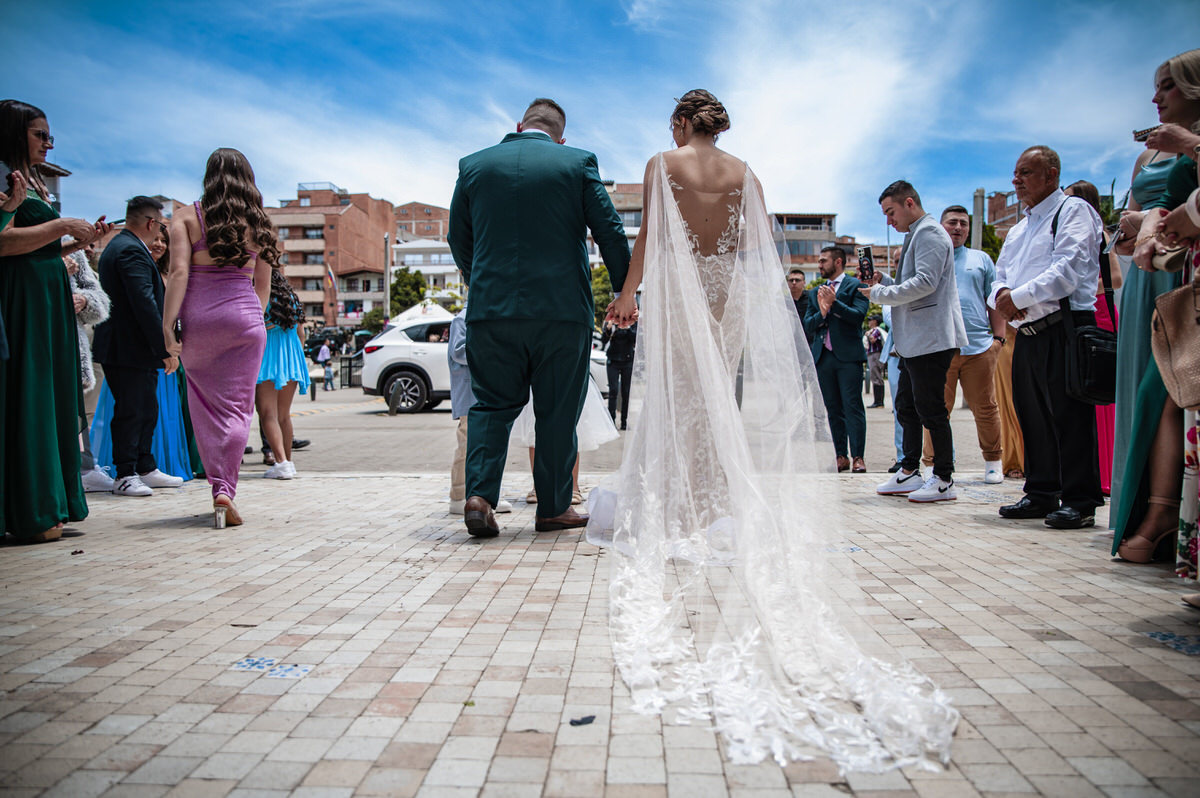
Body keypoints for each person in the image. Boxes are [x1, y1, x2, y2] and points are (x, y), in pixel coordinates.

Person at [592, 90, 958, 771]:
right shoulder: (747, 174)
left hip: (678, 290)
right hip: (727, 292)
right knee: (714, 405)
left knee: (679, 402)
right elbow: (762, 252)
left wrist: (625, 292)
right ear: (718, 124)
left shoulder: (660, 162)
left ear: (679, 124)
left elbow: (647, 239)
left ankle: (684, 505)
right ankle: (712, 505)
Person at [448, 97, 631, 538]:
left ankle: (479, 498)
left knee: (491, 405)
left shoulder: (473, 165)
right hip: (560, 311)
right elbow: (609, 230)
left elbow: (457, 236)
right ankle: (552, 509)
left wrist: (483, 282)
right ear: (559, 137)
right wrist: (625, 292)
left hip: (491, 313)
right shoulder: (577, 162)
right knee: (556, 410)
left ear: (518, 125)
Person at [0, 100, 109, 543]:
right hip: (22, 300)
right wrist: (62, 224)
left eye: (50, 136)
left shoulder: (34, 183)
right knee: (31, 396)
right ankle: (32, 509)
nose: (48, 143)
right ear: (13, 133)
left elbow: (39, 249)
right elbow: (4, 243)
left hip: (47, 297)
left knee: (51, 398)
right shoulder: (7, 176)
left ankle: (53, 503)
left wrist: (78, 241)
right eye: (39, 134)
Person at [1110, 49, 1200, 562]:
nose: (1155, 97)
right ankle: (1153, 512)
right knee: (1150, 393)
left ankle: (1163, 515)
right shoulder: (1148, 154)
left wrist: (1189, 146)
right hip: (1152, 276)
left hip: (1185, 275)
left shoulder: (1186, 141)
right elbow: (1134, 217)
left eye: (1166, 86)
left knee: (1169, 391)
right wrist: (1135, 226)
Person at [988, 146, 1104, 529]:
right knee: (1033, 414)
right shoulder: (1020, 228)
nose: (1015, 180)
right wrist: (1003, 299)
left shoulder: (1072, 211)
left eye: (1025, 172)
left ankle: (1079, 500)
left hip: (1064, 327)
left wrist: (1016, 299)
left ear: (1051, 173)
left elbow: (1068, 269)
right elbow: (999, 276)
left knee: (1069, 416)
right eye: (1015, 172)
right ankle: (1040, 492)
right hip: (1029, 334)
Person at [162, 148, 275, 528]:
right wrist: (249, 320)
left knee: (205, 408)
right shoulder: (259, 222)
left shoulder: (184, 218)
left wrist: (168, 325)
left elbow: (178, 273)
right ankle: (226, 490)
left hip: (200, 320)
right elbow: (263, 287)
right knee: (239, 408)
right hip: (244, 317)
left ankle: (219, 485)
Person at [867, 181, 967, 503]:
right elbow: (915, 283)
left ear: (909, 203)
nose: (888, 221)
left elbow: (926, 283)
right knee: (907, 407)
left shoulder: (931, 233)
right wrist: (885, 281)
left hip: (932, 338)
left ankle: (944, 478)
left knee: (931, 409)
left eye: (890, 212)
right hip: (914, 340)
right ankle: (909, 471)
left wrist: (879, 293)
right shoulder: (916, 235)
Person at [92, 197, 183, 497]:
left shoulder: (123, 246)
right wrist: (165, 346)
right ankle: (125, 473)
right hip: (127, 348)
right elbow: (144, 303)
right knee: (131, 410)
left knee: (146, 408)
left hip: (133, 348)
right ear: (150, 223)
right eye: (160, 224)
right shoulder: (130, 250)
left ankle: (145, 466)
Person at [918, 206, 1006, 484]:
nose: (958, 228)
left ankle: (993, 460)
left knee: (986, 407)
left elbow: (994, 301)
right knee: (935, 410)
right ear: (941, 226)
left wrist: (999, 339)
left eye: (963, 224)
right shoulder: (930, 257)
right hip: (939, 347)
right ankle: (933, 464)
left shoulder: (981, 259)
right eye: (952, 222)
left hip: (978, 346)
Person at [1062, 181, 1122, 496]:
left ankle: (1105, 474)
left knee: (1097, 392)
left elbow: (1115, 279)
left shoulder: (1101, 235)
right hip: (1079, 316)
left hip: (1097, 317)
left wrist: (1077, 287)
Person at [804, 246, 868, 473]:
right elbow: (808, 324)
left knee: (853, 406)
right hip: (824, 357)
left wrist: (834, 304)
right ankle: (840, 455)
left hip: (848, 357)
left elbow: (858, 316)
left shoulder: (856, 286)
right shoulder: (814, 292)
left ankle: (858, 457)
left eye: (823, 261)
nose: (820, 265)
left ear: (838, 262)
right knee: (833, 408)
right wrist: (821, 312)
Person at [447, 301, 513, 516]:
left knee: (488, 446)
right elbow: (458, 351)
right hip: (470, 396)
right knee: (467, 445)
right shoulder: (462, 318)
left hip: (488, 392)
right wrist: (490, 351)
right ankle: (458, 495)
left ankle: (485, 494)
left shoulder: (489, 313)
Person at [65, 243, 113, 493]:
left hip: (84, 349)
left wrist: (84, 301)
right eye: (85, 243)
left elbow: (99, 300)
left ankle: (84, 467)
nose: (89, 249)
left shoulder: (82, 265)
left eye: (93, 244)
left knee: (84, 413)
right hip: (53, 343)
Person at [256, 268, 310, 480]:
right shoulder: (290, 299)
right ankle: (288, 462)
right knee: (283, 415)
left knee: (267, 413)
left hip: (269, 356)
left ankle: (281, 463)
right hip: (292, 358)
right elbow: (301, 334)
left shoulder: (260, 294)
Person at [601, 318, 636, 429]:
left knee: (626, 392)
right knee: (613, 390)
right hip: (613, 361)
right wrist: (609, 328)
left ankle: (624, 422)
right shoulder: (611, 320)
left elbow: (635, 339)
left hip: (628, 361)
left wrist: (628, 327)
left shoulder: (632, 320)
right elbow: (604, 340)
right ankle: (611, 421)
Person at [864, 315, 885, 408]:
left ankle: (879, 402)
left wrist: (868, 334)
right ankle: (877, 401)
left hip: (875, 354)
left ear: (875, 321)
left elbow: (873, 340)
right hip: (872, 354)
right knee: (875, 376)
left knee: (876, 376)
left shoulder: (876, 330)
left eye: (870, 320)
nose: (869, 322)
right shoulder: (874, 330)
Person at [786, 266, 810, 343]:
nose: (794, 283)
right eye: (791, 280)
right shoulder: (783, 301)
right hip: (789, 341)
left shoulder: (812, 298)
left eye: (797, 280)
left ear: (804, 282)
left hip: (809, 339)